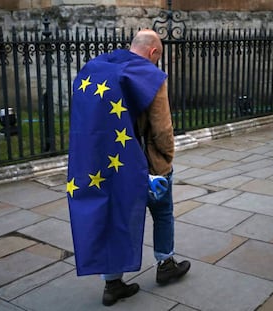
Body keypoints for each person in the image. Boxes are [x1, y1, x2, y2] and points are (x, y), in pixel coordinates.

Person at [66, 29, 190, 307]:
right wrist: (167, 158)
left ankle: (112, 284)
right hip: (148, 163)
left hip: (111, 166)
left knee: (117, 217)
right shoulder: (150, 77)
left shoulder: (100, 71)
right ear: (153, 52)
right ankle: (165, 265)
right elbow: (162, 128)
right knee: (162, 212)